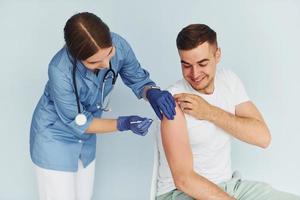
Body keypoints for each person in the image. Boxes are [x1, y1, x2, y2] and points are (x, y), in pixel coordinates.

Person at [30, 12, 176, 200]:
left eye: (109, 54)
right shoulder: (59, 70)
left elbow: (138, 79)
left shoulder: (119, 45)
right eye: (94, 62)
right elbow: (80, 122)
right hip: (55, 137)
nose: (106, 63)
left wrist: (151, 92)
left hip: (86, 142)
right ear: (76, 56)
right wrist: (124, 123)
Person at [156, 24, 300, 200]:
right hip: (180, 194)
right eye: (186, 65)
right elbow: (184, 180)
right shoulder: (173, 100)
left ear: (217, 55)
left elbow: (263, 137)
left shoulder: (229, 81)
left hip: (229, 186)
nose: (194, 73)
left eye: (202, 63)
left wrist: (209, 112)